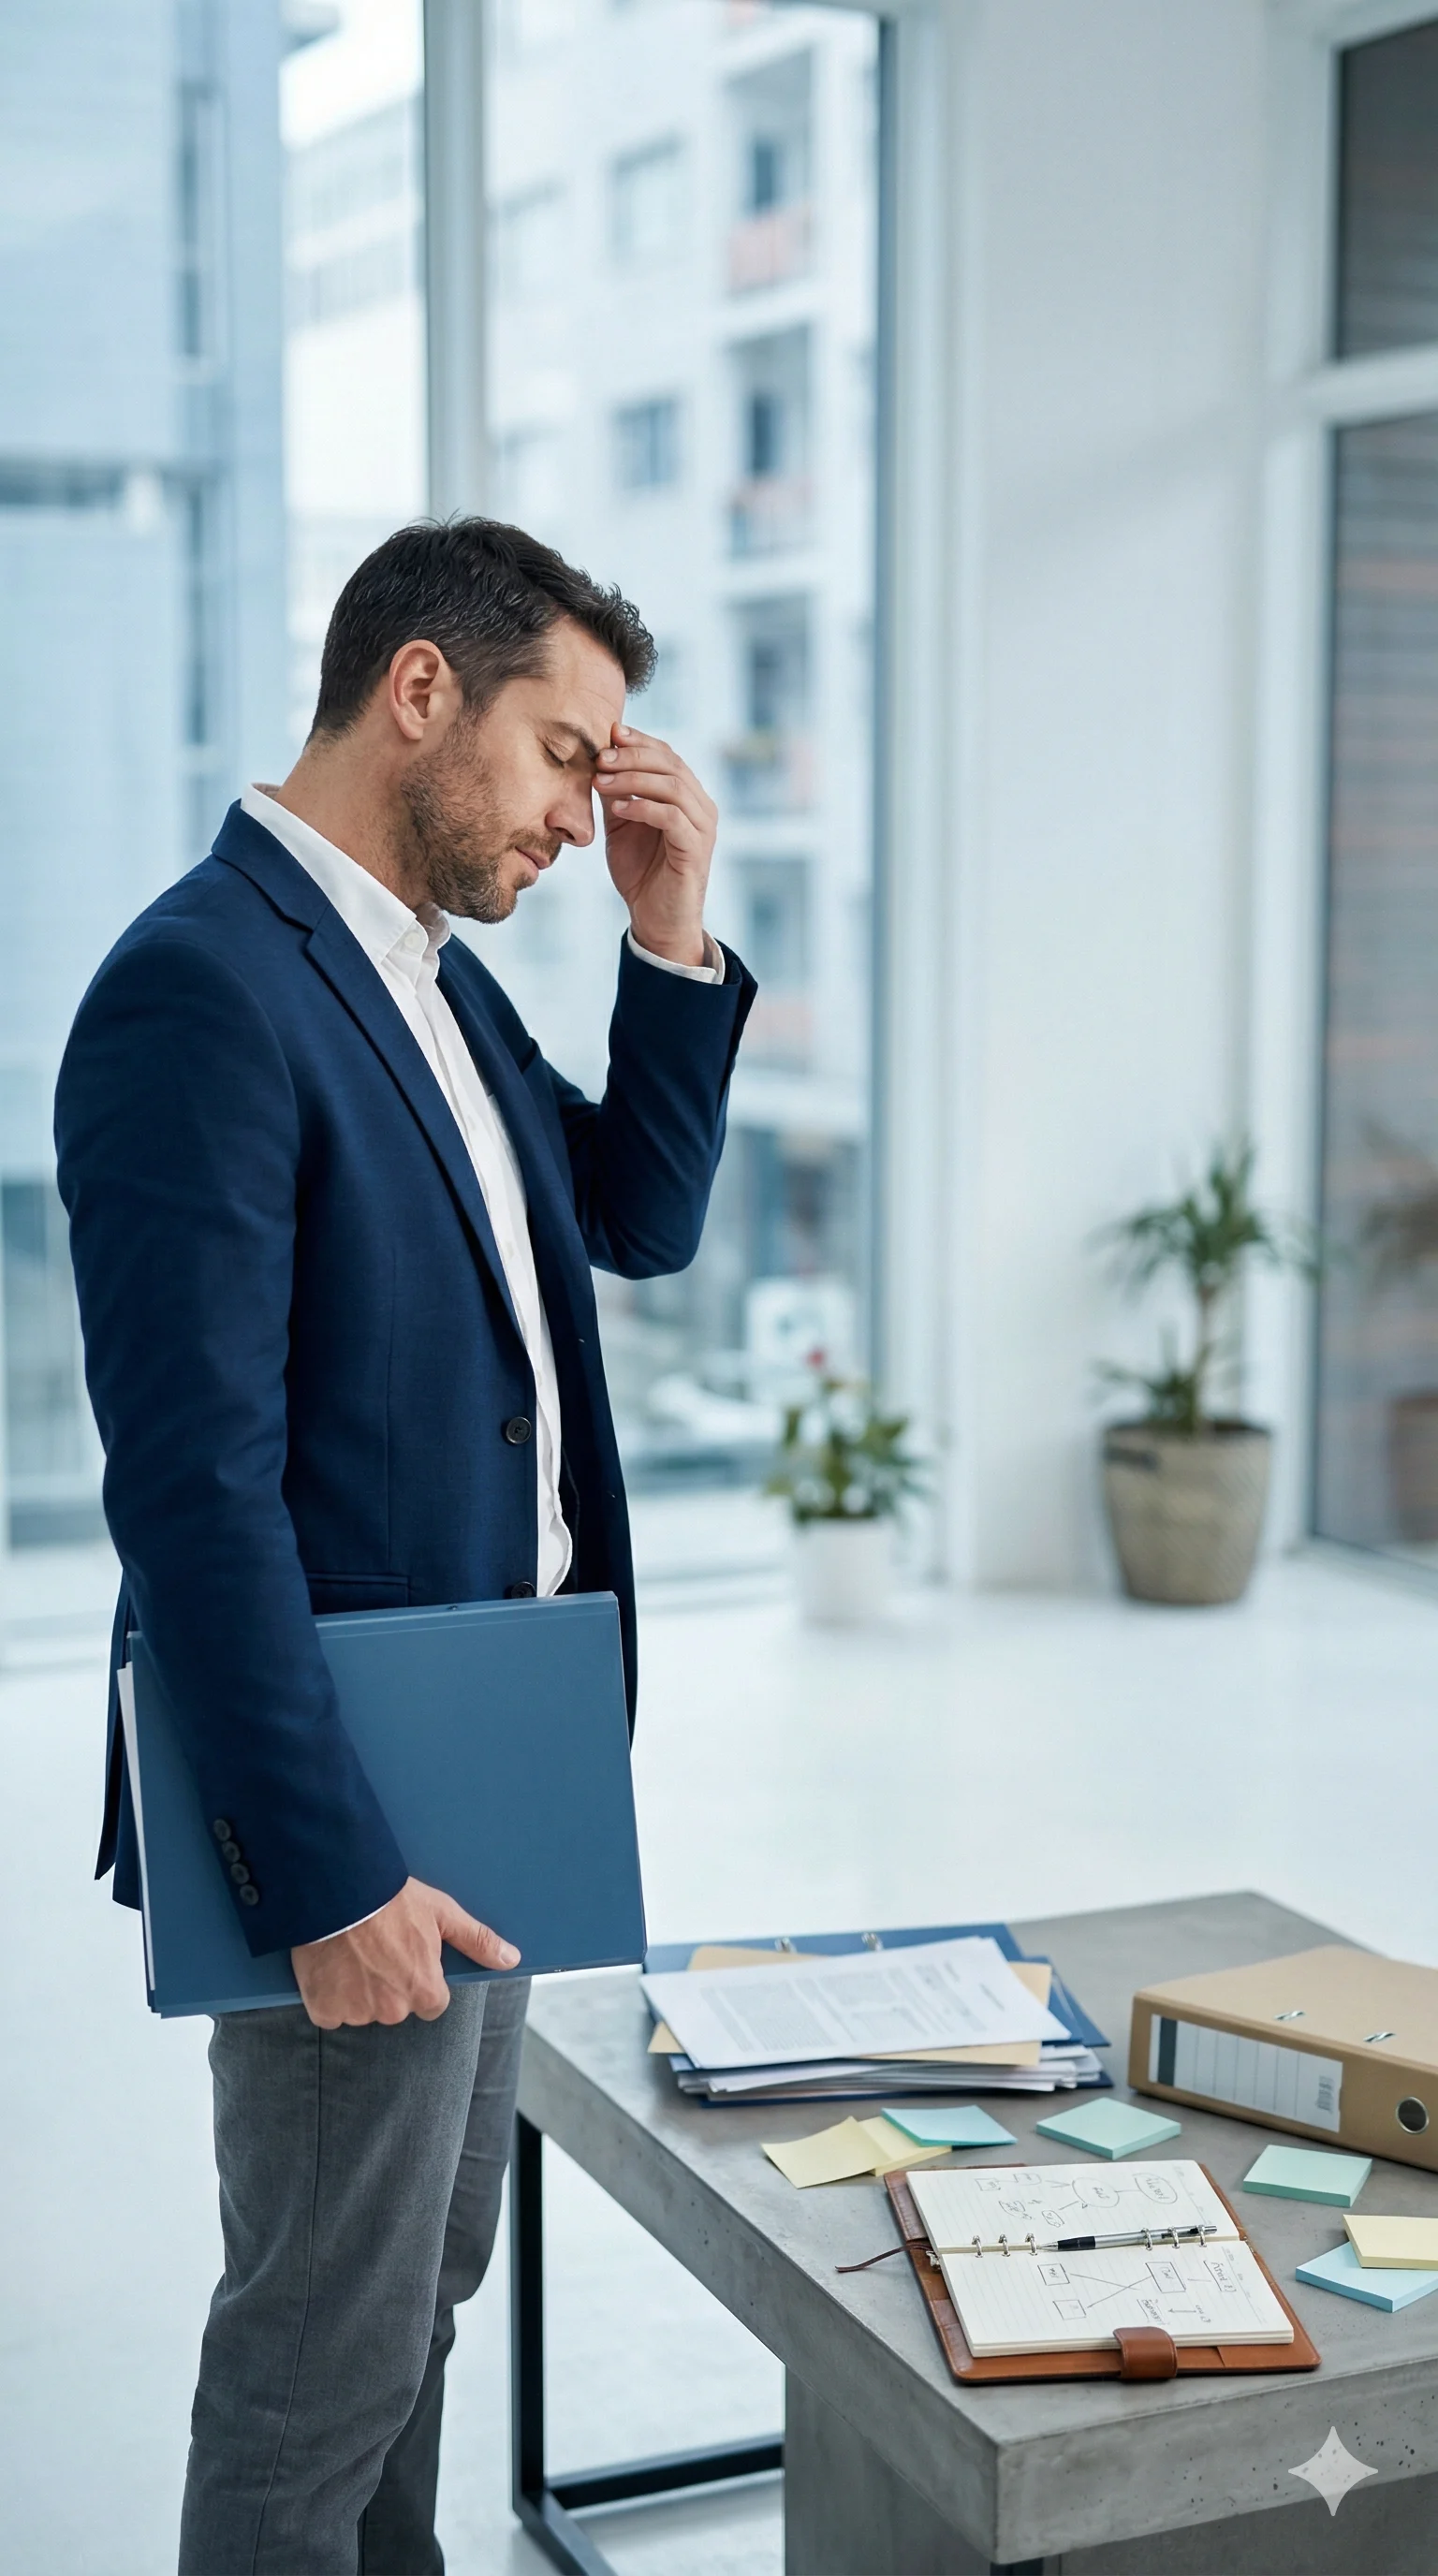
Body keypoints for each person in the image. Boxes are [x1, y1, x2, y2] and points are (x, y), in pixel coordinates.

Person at [54, 518, 756, 2575]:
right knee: (312, 2356)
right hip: (353, 1805)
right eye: (564, 753)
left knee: (415, 2304)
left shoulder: (425, 985)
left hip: (498, 1763)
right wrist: (328, 1865)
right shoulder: (204, 988)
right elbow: (191, 1493)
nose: (575, 810)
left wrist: (672, 925)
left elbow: (636, 1210)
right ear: (420, 690)